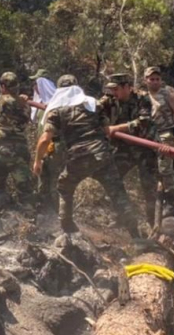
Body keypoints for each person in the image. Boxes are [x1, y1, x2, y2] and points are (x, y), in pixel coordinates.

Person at [33, 74, 139, 236]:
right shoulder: (93, 104)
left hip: (78, 157)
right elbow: (106, 130)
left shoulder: (57, 111)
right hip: (102, 155)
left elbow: (44, 139)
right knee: (118, 193)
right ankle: (136, 237)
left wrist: (37, 161)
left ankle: (68, 229)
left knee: (64, 186)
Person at [100, 73, 158, 224]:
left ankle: (153, 224)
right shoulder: (110, 99)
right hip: (123, 148)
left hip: (145, 148)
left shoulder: (142, 98)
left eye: (116, 89)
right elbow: (94, 109)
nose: (114, 92)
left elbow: (143, 121)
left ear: (127, 87)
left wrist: (115, 128)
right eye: (112, 89)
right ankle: (124, 216)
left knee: (149, 187)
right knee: (112, 178)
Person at [0, 72, 34, 205]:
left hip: (0, 151)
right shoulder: (26, 105)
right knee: (25, 190)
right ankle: (31, 218)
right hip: (21, 151)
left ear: (3, 86)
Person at [144, 66, 174, 216]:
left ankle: (172, 202)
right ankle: (154, 202)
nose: (155, 82)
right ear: (146, 80)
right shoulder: (142, 95)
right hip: (148, 136)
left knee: (165, 168)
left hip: (165, 134)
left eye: (157, 79)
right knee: (150, 170)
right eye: (152, 79)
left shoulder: (167, 94)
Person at [30, 70, 64, 210]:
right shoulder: (40, 107)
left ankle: (60, 215)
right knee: (43, 181)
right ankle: (46, 211)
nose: (34, 88)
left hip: (55, 150)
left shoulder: (56, 107)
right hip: (44, 150)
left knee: (55, 183)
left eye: (36, 84)